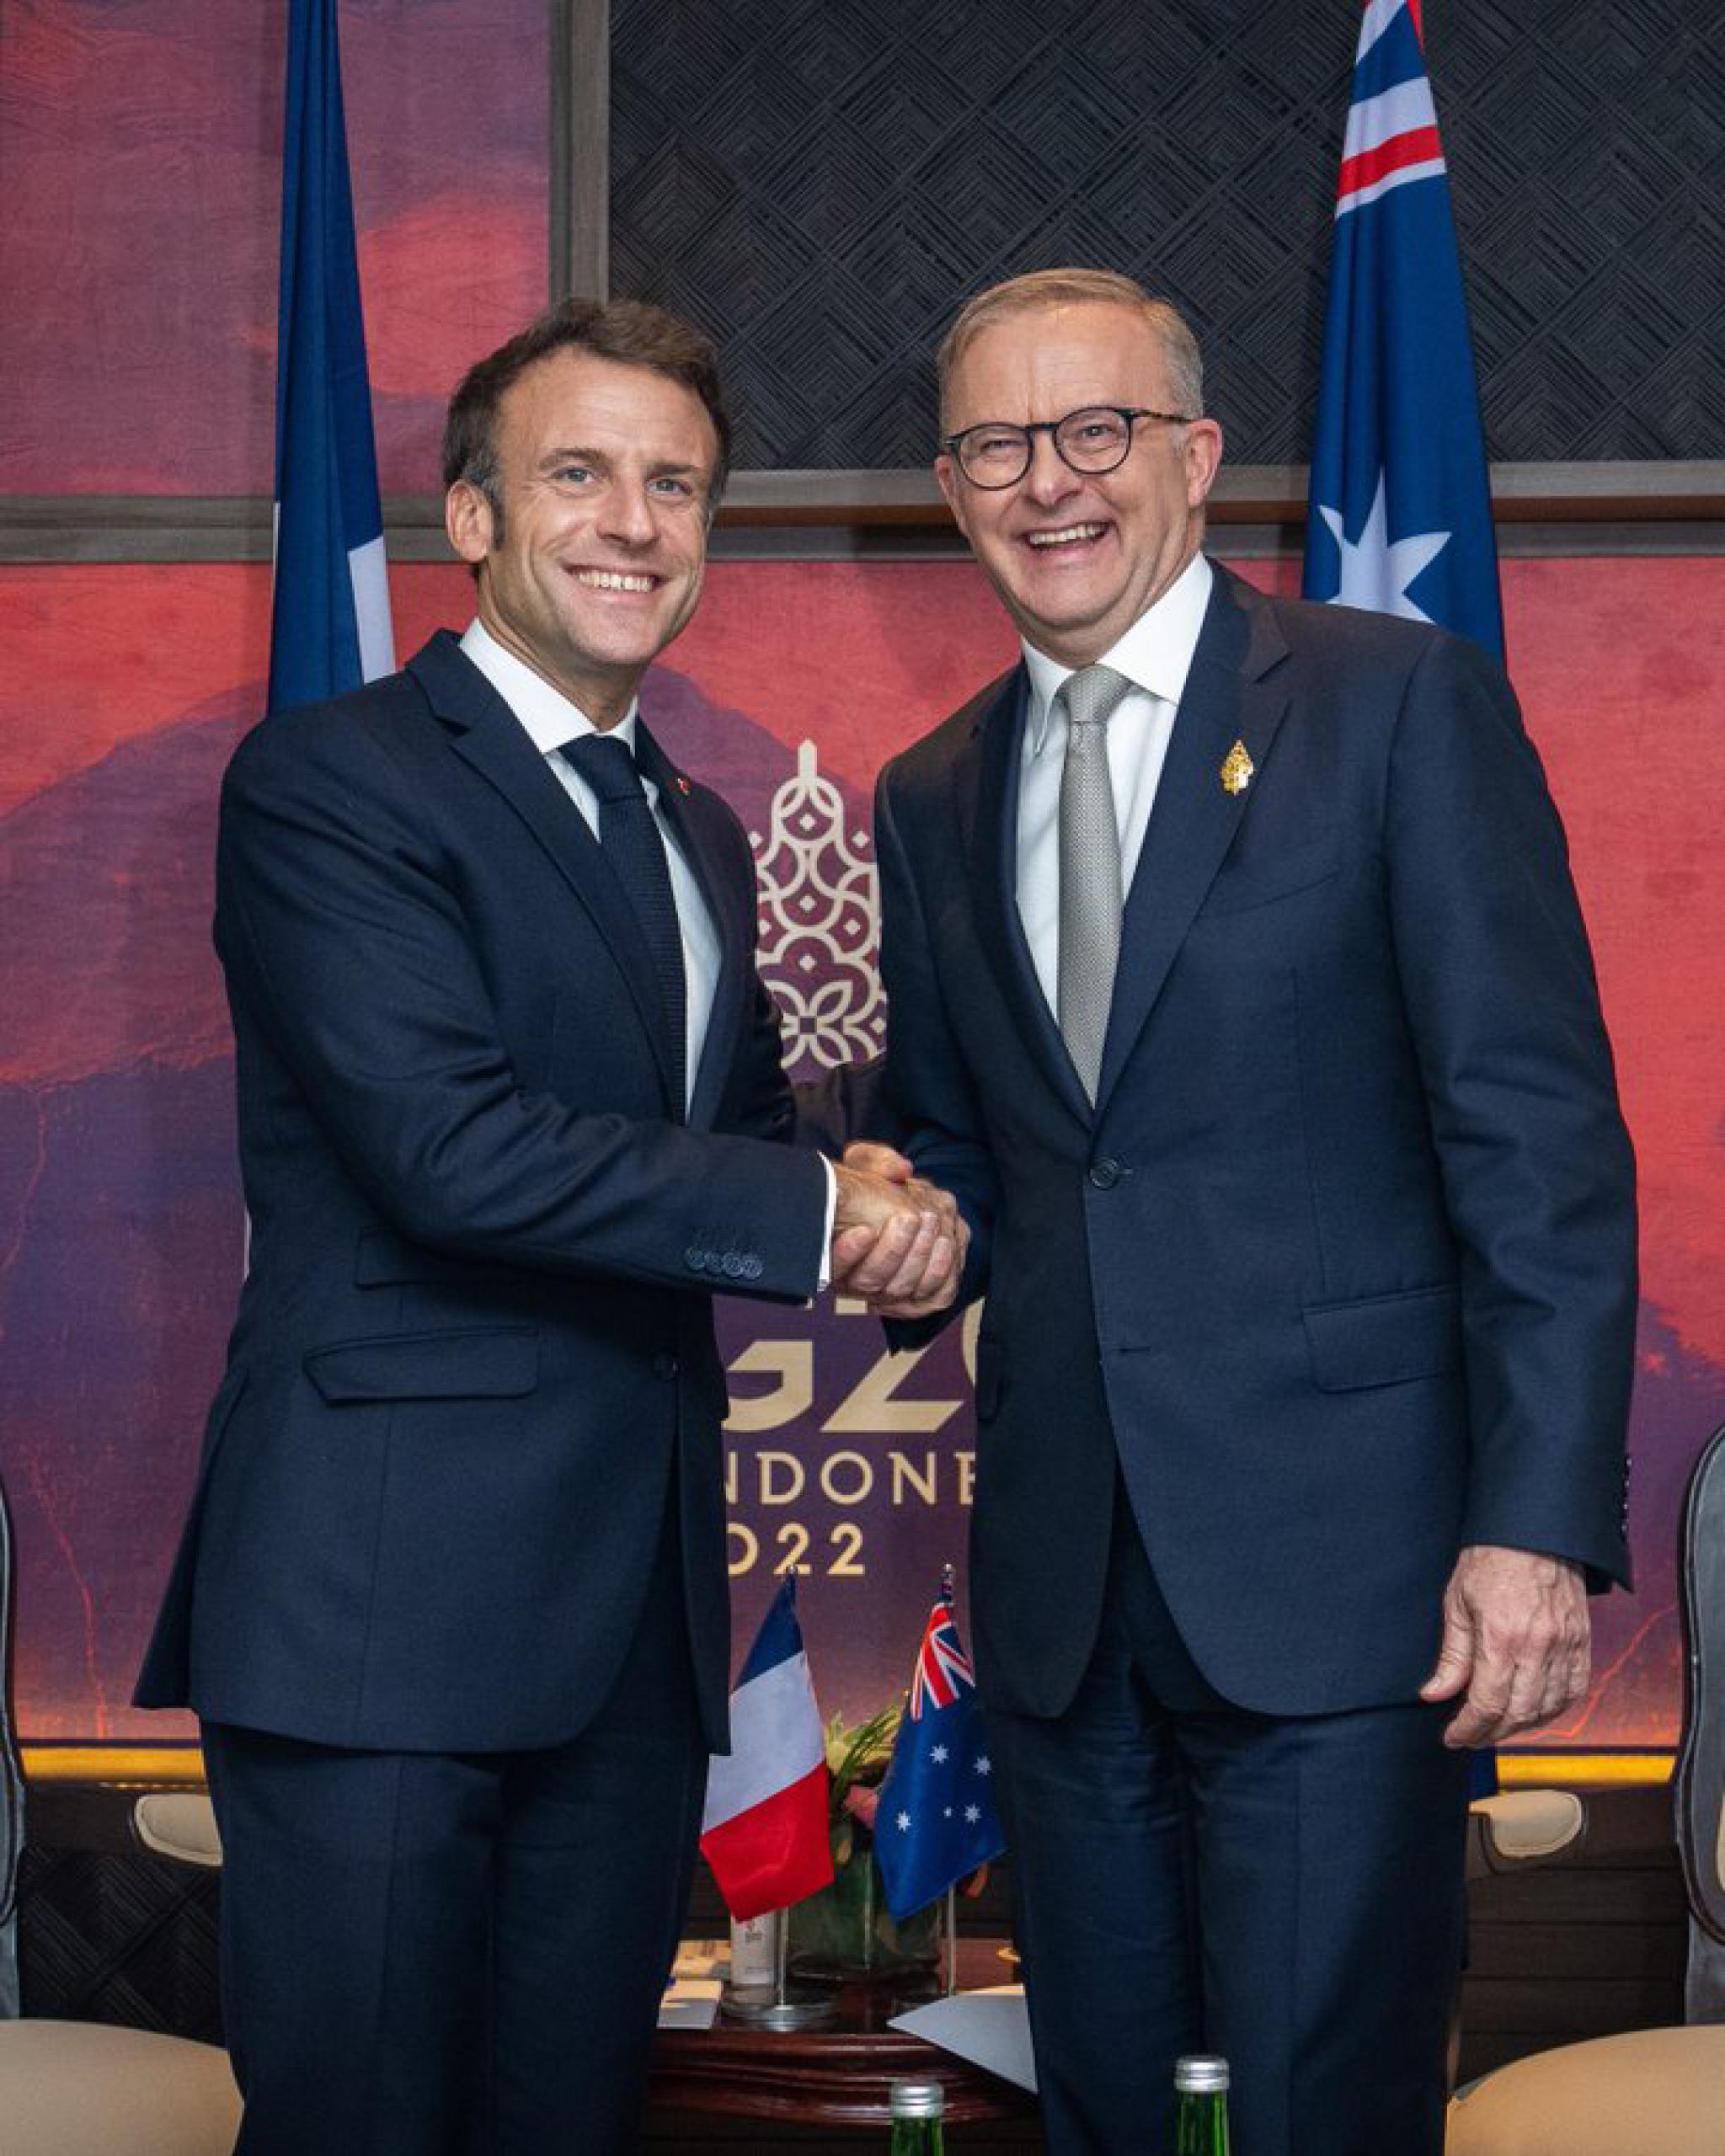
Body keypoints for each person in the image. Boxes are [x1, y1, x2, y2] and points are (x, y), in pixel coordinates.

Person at [134, 296, 960, 2154]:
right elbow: (454, 1150)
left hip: (626, 1632)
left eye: (676, 484)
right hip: (379, 1619)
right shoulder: (334, 778)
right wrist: (826, 1210)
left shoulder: (694, 829)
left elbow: (737, 1141)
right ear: (474, 517)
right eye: (577, 473)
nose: (634, 521)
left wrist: (915, 1189)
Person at [854, 267, 1637, 2155]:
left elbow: (1534, 1144)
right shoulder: (931, 787)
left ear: (1195, 458)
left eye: (1094, 429)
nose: (1048, 480)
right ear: (952, 488)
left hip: (1343, 1590)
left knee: (1320, 2112)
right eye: (993, 444)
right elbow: (969, 1142)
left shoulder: (1390, 706)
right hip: (1062, 1609)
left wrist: (1529, 1529)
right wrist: (887, 1206)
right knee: (1110, 2113)